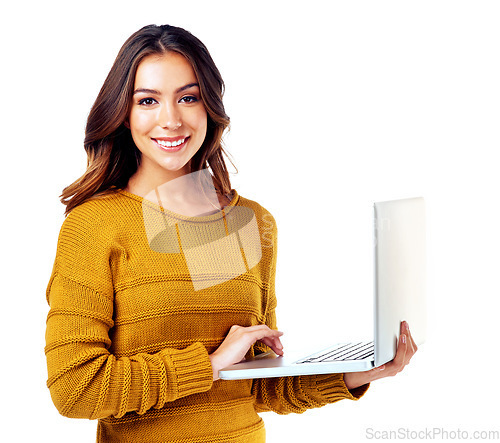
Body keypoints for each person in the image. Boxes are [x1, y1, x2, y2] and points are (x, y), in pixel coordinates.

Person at [45, 24, 417, 442]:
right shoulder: (95, 226)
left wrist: (355, 373)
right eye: (148, 100)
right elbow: (76, 389)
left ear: (210, 108)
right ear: (123, 114)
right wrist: (209, 363)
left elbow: (257, 385)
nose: (171, 119)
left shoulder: (251, 224)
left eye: (188, 98)